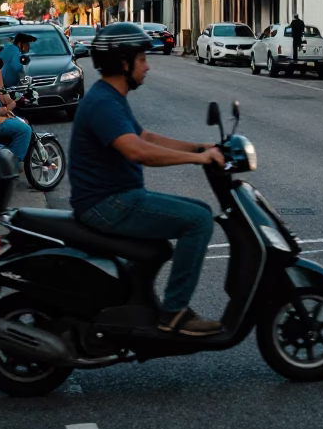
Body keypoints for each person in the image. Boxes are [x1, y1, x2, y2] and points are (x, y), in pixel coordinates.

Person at [69, 22, 225, 336]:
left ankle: (134, 301)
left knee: (191, 217)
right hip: (108, 203)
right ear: (123, 63)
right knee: (198, 220)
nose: (147, 66)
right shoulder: (102, 102)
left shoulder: (111, 97)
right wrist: (199, 159)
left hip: (115, 198)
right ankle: (174, 312)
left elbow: (145, 136)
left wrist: (201, 146)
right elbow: (138, 151)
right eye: (142, 59)